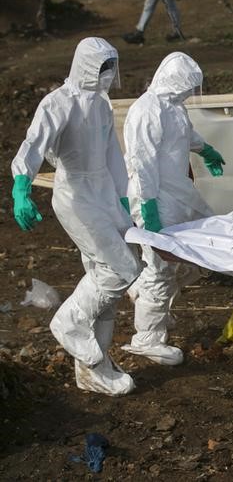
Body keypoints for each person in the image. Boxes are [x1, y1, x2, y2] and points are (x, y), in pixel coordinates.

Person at [10, 37, 141, 396]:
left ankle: (92, 366)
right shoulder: (58, 102)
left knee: (104, 281)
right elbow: (33, 145)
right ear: (84, 65)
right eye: (102, 67)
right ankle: (68, 323)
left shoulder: (101, 103)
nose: (108, 74)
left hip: (103, 193)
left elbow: (112, 155)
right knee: (123, 269)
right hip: (76, 196)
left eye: (111, 66)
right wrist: (21, 187)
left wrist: (123, 199)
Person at [122, 52, 226, 366]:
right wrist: (148, 210)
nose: (190, 93)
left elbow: (185, 135)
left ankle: (146, 296)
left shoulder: (174, 108)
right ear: (174, 81)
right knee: (160, 269)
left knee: (198, 255)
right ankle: (147, 338)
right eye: (187, 86)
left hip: (179, 193)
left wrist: (205, 149)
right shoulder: (146, 110)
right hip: (155, 198)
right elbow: (141, 163)